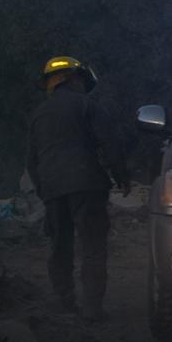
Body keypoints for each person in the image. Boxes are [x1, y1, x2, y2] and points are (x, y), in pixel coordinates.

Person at [26, 56, 129, 320]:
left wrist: (43, 189)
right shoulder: (87, 105)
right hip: (87, 185)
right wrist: (121, 176)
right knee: (92, 245)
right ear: (74, 79)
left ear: (52, 83)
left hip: (53, 188)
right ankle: (93, 308)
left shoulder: (38, 114)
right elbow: (111, 144)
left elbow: (32, 160)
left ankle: (64, 303)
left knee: (60, 246)